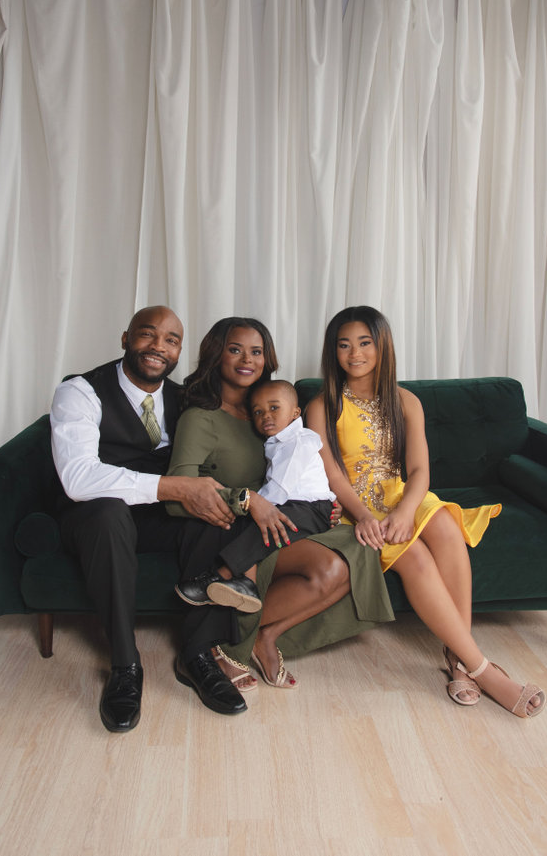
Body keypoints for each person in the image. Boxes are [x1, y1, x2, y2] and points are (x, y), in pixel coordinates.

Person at [305, 305, 545, 718]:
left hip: (403, 495)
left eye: (365, 343)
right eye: (344, 345)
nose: (355, 353)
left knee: (447, 527)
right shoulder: (321, 406)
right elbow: (333, 477)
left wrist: (405, 511)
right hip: (357, 508)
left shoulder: (405, 401)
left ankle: (459, 659)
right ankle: (483, 669)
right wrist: (364, 516)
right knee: (414, 557)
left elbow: (419, 470)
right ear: (333, 351)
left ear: (382, 346)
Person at [167, 318, 395, 698]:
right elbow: (179, 492)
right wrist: (249, 501)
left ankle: (266, 635)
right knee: (330, 566)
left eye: (256, 351)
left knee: (356, 553)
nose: (247, 359)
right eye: (235, 349)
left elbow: (302, 466)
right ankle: (225, 643)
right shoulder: (201, 418)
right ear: (216, 355)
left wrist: (323, 500)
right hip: (238, 522)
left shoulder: (271, 415)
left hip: (283, 513)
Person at [50, 305, 248, 733]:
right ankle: (125, 665)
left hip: (154, 517)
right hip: (93, 519)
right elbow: (79, 478)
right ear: (126, 338)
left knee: (212, 515)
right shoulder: (80, 391)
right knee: (108, 514)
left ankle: (197, 655)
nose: (159, 346)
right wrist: (175, 488)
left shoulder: (184, 398)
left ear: (179, 351)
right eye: (147, 334)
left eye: (171, 340)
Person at [173, 379, 335, 614]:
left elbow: (279, 487)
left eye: (274, 408)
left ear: (295, 413)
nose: (266, 416)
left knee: (264, 521)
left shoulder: (297, 442)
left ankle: (219, 576)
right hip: (296, 505)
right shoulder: (276, 442)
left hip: (311, 508)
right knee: (256, 522)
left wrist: (254, 505)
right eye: (258, 412)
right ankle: (246, 582)